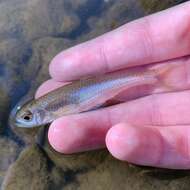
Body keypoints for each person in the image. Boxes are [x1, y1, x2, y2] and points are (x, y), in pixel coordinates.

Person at [36, 1, 190, 169]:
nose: (28, 121)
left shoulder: (48, 107)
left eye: (28, 118)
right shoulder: (48, 106)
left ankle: (157, 78)